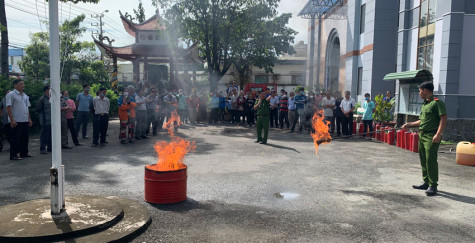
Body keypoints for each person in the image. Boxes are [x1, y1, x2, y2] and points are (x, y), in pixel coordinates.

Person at [402, 81, 447, 196]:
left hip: (431, 136)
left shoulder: (437, 103)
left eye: (420, 91)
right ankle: (426, 182)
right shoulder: (426, 104)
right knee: (423, 159)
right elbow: (422, 120)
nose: (419, 93)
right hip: (422, 135)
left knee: (430, 160)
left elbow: (443, 118)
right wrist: (409, 124)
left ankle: (433, 185)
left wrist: (438, 134)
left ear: (425, 90)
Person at [6, 79, 33, 160]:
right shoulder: (11, 94)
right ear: (15, 85)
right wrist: (12, 120)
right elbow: (8, 107)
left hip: (24, 119)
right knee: (15, 139)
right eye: (21, 84)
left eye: (23, 84)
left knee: (25, 137)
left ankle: (24, 153)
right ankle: (13, 154)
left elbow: (26, 108)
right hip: (16, 120)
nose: (23, 85)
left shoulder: (24, 95)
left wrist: (29, 119)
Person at [36, 85, 52, 154]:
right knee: (44, 135)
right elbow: (38, 109)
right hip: (45, 120)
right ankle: (42, 149)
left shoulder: (53, 98)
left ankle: (50, 148)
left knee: (51, 135)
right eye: (50, 89)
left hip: (52, 120)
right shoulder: (42, 99)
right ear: (46, 90)